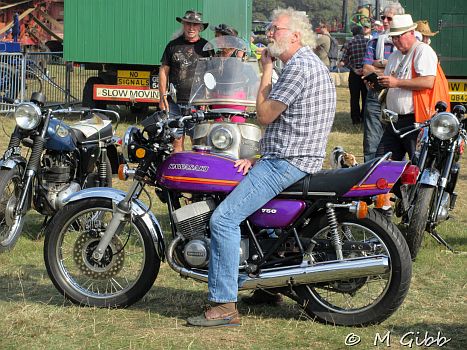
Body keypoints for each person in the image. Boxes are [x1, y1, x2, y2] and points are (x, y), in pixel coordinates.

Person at [186, 8, 336, 327]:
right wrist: (257, 158)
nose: (269, 34)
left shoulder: (298, 67)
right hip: (291, 157)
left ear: (295, 35)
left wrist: (265, 69)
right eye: (269, 29)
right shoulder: (307, 63)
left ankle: (224, 304)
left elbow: (265, 115)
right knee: (256, 219)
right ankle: (267, 287)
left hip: (286, 163)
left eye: (275, 29)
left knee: (224, 219)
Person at [375, 14, 437, 161]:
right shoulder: (394, 56)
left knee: (419, 167)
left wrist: (396, 83)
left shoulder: (422, 51)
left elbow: (428, 82)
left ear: (411, 33)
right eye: (393, 38)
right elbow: (391, 82)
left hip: (416, 121)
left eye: (398, 37)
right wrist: (377, 84)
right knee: (382, 164)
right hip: (394, 121)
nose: (395, 41)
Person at [159, 10, 210, 152]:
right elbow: (163, 71)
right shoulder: (172, 45)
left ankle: (197, 172)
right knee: (176, 140)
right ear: (183, 25)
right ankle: (178, 172)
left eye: (195, 25)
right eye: (188, 24)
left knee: (198, 143)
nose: (191, 28)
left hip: (197, 102)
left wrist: (207, 100)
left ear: (200, 27)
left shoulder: (207, 47)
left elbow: (211, 75)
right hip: (174, 102)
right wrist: (162, 97)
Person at [361, 2, 405, 162]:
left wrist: (378, 64)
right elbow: (366, 69)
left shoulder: (407, 45)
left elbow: (402, 71)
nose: (385, 21)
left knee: (396, 143)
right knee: (371, 142)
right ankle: (369, 179)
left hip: (397, 97)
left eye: (389, 18)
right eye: (383, 17)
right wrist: (389, 69)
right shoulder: (374, 41)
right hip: (375, 96)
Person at [340, 25, 370, 124]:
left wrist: (353, 68)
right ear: (362, 32)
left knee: (354, 97)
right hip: (366, 72)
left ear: (353, 33)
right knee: (366, 96)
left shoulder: (349, 43)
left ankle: (355, 119)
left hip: (354, 73)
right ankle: (364, 116)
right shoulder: (368, 42)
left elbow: (342, 61)